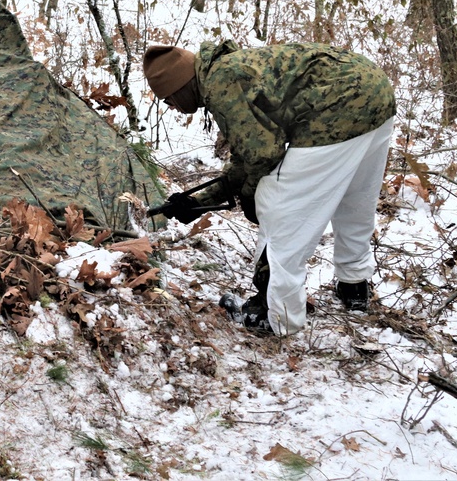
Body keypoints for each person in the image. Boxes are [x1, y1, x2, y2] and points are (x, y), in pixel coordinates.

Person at [142, 39, 396, 336]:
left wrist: (251, 197)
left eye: (168, 100)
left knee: (277, 208)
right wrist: (201, 200)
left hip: (335, 111)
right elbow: (247, 156)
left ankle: (274, 314)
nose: (171, 107)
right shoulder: (227, 70)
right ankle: (354, 285)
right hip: (376, 92)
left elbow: (263, 154)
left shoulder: (221, 85)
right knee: (355, 199)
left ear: (180, 87)